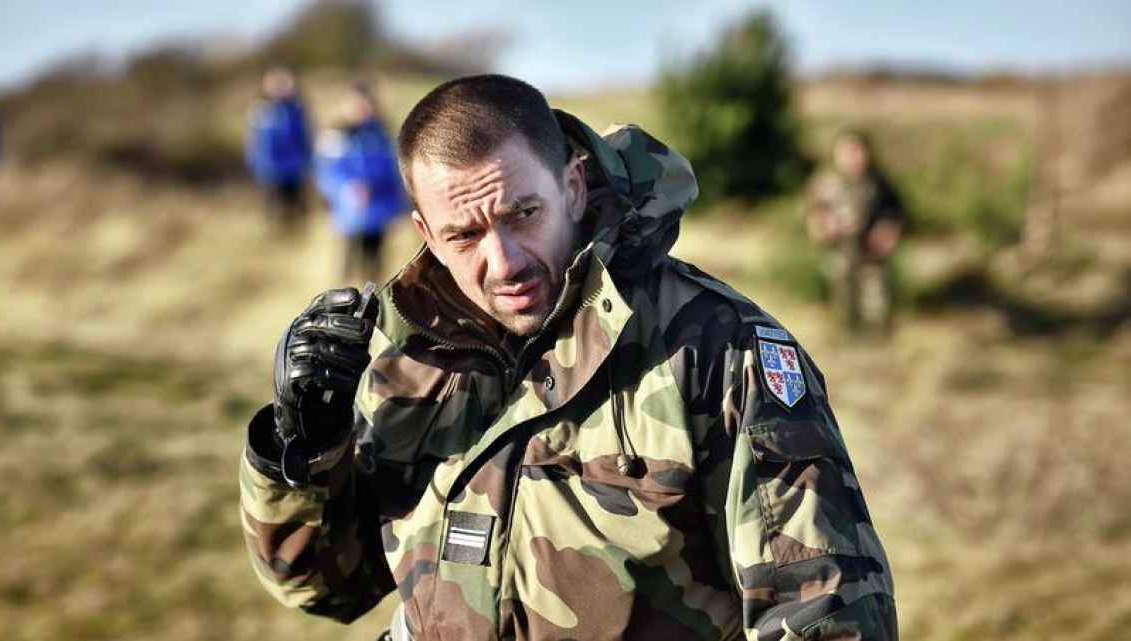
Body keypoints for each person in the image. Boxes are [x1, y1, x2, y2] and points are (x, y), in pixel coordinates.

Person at [239, 75, 896, 640]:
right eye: (464, 233)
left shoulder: (720, 352)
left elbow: (826, 616)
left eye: (524, 213)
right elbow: (325, 587)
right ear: (425, 235)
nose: (504, 261)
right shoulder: (407, 361)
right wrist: (306, 449)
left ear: (573, 188)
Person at [805, 130, 906, 337]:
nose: (854, 157)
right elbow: (813, 218)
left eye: (857, 151)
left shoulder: (879, 183)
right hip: (840, 254)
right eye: (847, 152)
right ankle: (846, 335)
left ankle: (877, 342)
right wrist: (824, 226)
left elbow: (895, 213)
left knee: (876, 305)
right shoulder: (825, 183)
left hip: (872, 257)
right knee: (843, 303)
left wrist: (888, 230)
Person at [314, 83, 408, 283]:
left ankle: (373, 292)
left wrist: (382, 192)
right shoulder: (334, 137)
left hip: (379, 208)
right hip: (349, 210)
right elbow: (326, 171)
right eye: (355, 104)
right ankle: (344, 294)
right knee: (348, 255)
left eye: (364, 104)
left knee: (375, 257)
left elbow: (393, 170)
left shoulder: (383, 136)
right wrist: (346, 187)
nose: (360, 109)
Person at [245, 66, 313, 232]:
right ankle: (274, 232)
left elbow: (306, 137)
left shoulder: (298, 109)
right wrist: (256, 163)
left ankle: (295, 231)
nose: (281, 86)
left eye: (284, 82)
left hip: (294, 167)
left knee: (295, 203)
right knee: (272, 204)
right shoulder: (259, 109)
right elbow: (253, 141)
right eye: (276, 82)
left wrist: (307, 161)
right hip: (269, 168)